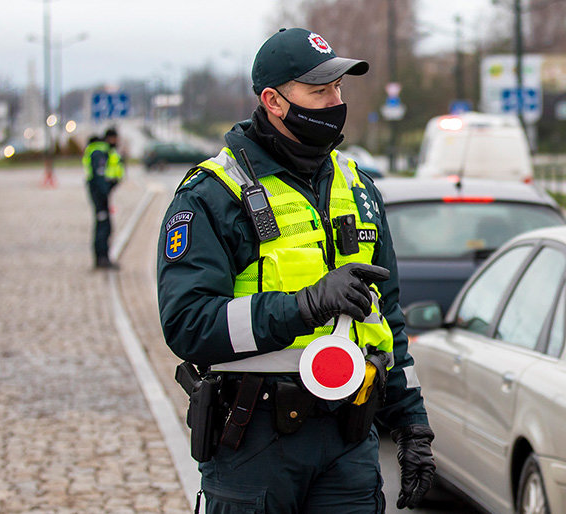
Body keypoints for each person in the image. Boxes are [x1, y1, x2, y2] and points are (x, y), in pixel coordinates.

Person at [156, 28, 434, 513]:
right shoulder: (212, 195)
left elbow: (386, 321)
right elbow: (188, 324)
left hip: (348, 440)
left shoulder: (359, 186)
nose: (335, 101)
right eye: (320, 90)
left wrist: (411, 423)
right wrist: (303, 307)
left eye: (339, 88)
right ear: (274, 100)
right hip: (253, 444)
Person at [83, 128, 124, 269]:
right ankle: (101, 259)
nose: (117, 142)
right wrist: (105, 192)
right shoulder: (99, 152)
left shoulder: (103, 150)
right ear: (110, 138)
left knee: (105, 226)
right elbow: (99, 176)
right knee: (103, 226)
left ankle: (104, 257)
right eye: (115, 138)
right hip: (100, 195)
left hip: (102, 195)